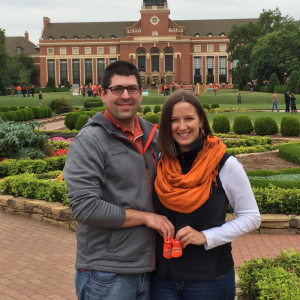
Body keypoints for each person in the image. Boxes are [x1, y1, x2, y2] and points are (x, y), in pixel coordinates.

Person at [63, 61, 175, 300]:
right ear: (103, 94)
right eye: (117, 89)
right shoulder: (89, 141)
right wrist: (147, 218)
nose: (126, 96)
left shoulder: (153, 136)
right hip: (107, 272)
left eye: (132, 89)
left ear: (140, 93)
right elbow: (85, 207)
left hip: (150, 266)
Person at [150, 90, 261, 300]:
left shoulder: (225, 165)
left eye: (189, 118)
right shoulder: (160, 162)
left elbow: (251, 217)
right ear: (166, 125)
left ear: (201, 120)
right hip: (163, 280)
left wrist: (206, 236)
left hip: (210, 280)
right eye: (174, 120)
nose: (182, 127)